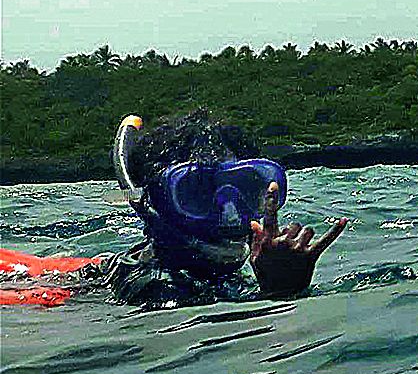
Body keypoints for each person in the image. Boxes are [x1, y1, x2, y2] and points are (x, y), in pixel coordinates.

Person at [93, 111, 348, 308]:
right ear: (156, 206)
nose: (230, 213)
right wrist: (280, 295)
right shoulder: (157, 290)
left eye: (245, 189)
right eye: (197, 195)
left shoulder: (214, 278)